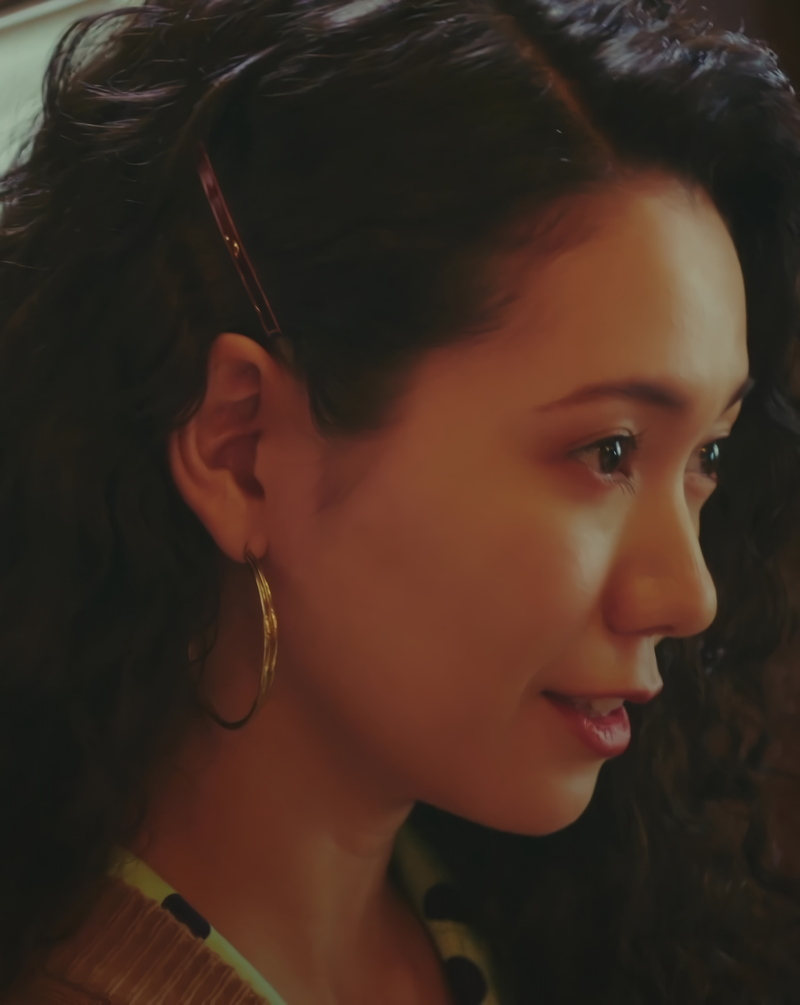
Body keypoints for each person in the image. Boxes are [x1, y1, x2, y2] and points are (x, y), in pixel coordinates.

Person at [1, 1, 800, 1002]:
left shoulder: (541, 927)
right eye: (608, 451)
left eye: (708, 453)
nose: (690, 595)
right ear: (241, 450)